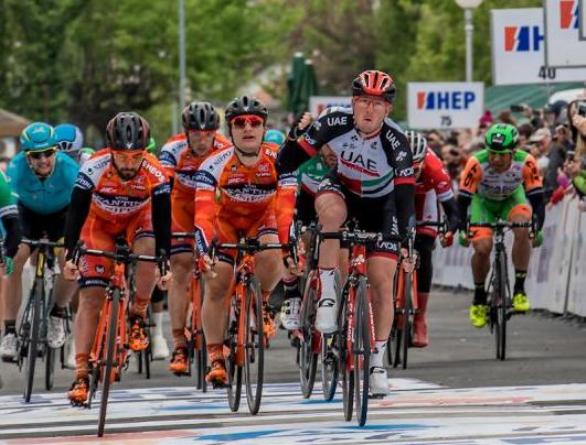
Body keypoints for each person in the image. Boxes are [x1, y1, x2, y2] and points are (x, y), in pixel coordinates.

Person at [280, 70, 415, 397]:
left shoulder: (397, 141)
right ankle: (327, 294)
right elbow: (285, 164)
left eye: (377, 104)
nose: (369, 110)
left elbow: (404, 197)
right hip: (343, 190)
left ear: (388, 109)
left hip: (381, 205)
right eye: (363, 102)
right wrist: (294, 135)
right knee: (331, 213)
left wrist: (407, 239)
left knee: (383, 280)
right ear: (353, 103)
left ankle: (378, 361)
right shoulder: (333, 122)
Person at [63, 112, 172, 404]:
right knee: (91, 296)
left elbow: (163, 220)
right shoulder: (93, 167)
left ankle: (138, 313)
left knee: (149, 250)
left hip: (139, 222)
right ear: (110, 150)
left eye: (136, 156)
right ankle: (82, 372)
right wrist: (70, 252)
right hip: (99, 225)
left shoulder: (155, 171)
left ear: (145, 152)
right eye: (121, 156)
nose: (128, 163)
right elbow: (76, 213)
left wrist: (165, 259)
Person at [194, 95, 297, 387]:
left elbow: (285, 211)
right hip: (225, 224)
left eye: (255, 122)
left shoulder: (281, 160)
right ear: (230, 131)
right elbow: (202, 215)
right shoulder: (213, 164)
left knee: (272, 247)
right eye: (240, 123)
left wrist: (289, 246)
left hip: (263, 221)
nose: (248, 128)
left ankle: (262, 303)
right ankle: (215, 356)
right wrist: (203, 248)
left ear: (265, 128)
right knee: (218, 281)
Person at [159, 101, 231, 375]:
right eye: (196, 133)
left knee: (222, 268)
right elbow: (162, 189)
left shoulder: (225, 148)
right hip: (182, 206)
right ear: (186, 132)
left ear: (216, 132)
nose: (202, 139)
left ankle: (224, 332)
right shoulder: (172, 149)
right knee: (181, 266)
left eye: (208, 132)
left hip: (213, 206)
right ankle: (179, 342)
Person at [0, 123, 79, 361]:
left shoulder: (70, 170)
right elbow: (8, 213)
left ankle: (56, 313)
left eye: (49, 153)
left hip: (63, 215)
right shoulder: (15, 170)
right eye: (36, 155)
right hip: (27, 214)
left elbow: (82, 211)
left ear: (57, 151)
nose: (43, 160)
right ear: (26, 156)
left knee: (70, 260)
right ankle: (10, 332)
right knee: (14, 259)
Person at [458, 124, 545, 328]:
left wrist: (537, 227)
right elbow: (462, 200)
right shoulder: (476, 163)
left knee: (523, 228)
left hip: (511, 200)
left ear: (513, 152)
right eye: (492, 153)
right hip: (483, 203)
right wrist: (463, 228)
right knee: (482, 248)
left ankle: (519, 290)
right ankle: (479, 298)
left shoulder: (526, 162)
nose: (495, 159)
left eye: (501, 154)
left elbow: (538, 200)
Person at [406, 131, 459, 347]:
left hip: (425, 199)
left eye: (417, 166)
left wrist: (449, 230)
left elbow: (452, 210)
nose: (414, 171)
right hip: (398, 197)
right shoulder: (388, 161)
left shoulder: (435, 168)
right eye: (409, 166)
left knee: (425, 248)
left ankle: (420, 318)